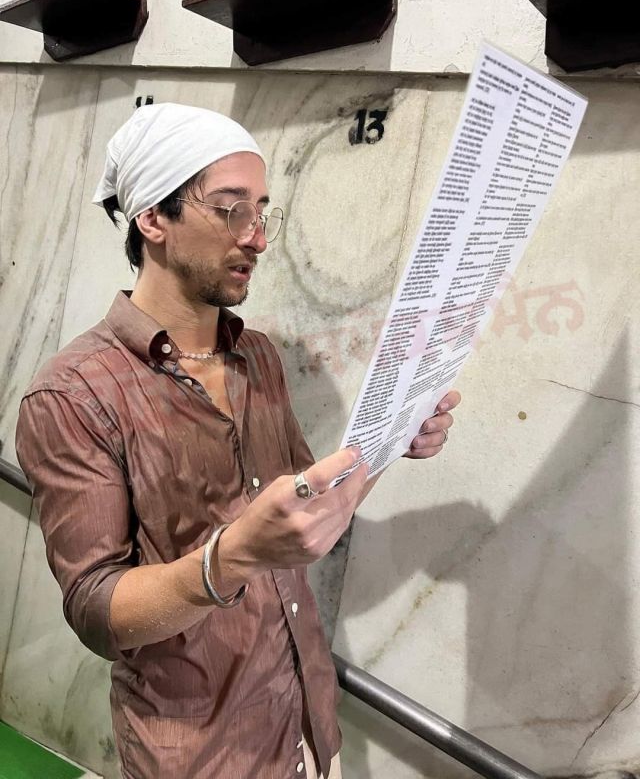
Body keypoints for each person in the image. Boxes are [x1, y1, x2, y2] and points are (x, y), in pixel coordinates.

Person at [15, 103, 460, 779]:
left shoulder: (256, 355)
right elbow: (97, 611)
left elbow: (310, 502)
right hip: (198, 754)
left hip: (306, 722)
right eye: (229, 210)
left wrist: (395, 437)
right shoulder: (75, 394)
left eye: (263, 211)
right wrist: (233, 555)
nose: (257, 237)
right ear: (153, 219)